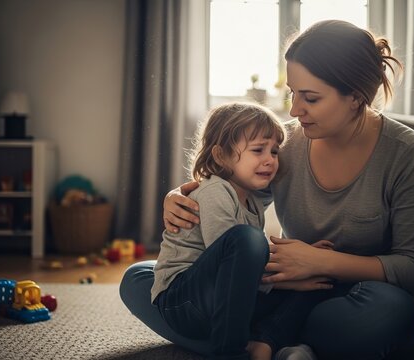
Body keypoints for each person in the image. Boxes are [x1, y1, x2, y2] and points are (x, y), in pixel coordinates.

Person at [156, 20, 414, 360]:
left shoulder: (407, 153)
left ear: (355, 97)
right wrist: (179, 196)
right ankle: (283, 342)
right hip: (289, 288)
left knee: (391, 315)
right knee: (139, 281)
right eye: (293, 93)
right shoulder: (282, 146)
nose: (293, 110)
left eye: (310, 98)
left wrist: (321, 261)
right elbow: (229, 191)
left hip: (356, 296)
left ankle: (260, 336)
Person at [134, 101, 333, 360]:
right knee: (248, 239)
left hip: (222, 300)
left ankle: (265, 344)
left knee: (317, 284)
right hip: (182, 301)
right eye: (258, 150)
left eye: (274, 151)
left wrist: (308, 266)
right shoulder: (215, 191)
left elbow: (244, 275)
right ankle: (230, 352)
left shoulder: (252, 201)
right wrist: (294, 272)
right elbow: (236, 265)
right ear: (220, 156)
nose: (269, 160)